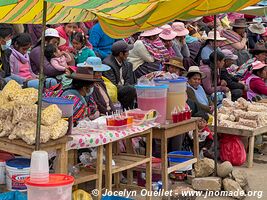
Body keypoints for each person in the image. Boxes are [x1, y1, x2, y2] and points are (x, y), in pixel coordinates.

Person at [103, 40, 136, 109]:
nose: (128, 54)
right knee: (130, 90)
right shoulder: (108, 64)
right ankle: (127, 110)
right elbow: (112, 85)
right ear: (121, 54)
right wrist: (127, 88)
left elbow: (128, 79)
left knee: (135, 87)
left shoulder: (125, 62)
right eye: (127, 52)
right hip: (114, 90)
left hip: (123, 87)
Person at [0, 24, 13, 89]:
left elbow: (7, 73)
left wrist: (24, 80)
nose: (10, 40)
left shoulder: (4, 51)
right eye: (8, 37)